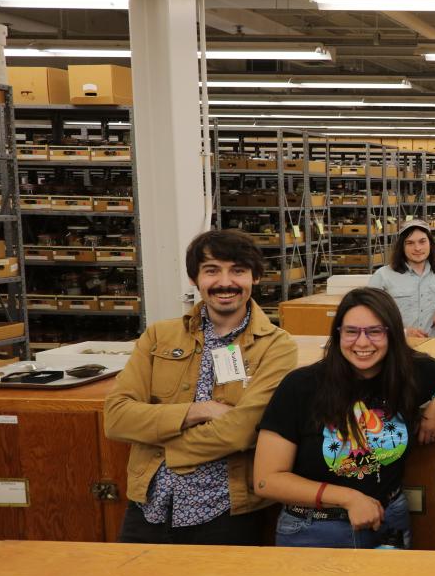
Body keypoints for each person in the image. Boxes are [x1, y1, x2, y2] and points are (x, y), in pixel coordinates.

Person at [104, 229, 299, 545]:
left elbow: (242, 431)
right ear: (195, 279)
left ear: (256, 278)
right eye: (212, 271)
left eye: (238, 270)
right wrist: (199, 410)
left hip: (224, 511)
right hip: (148, 507)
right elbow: (115, 418)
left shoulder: (276, 347)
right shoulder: (158, 337)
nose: (225, 282)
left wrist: (159, 442)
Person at [254, 288, 435, 548]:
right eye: (351, 331)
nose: (362, 343)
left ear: (392, 334)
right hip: (315, 529)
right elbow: (266, 480)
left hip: (390, 521)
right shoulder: (301, 386)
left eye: (375, 331)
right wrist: (348, 498)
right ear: (338, 333)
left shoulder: (409, 373)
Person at [368, 219, 435, 338]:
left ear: (430, 244)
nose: (417, 248)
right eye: (410, 243)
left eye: (422, 242)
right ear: (401, 247)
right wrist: (403, 332)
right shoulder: (383, 275)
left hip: (433, 349)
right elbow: (367, 315)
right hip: (397, 349)